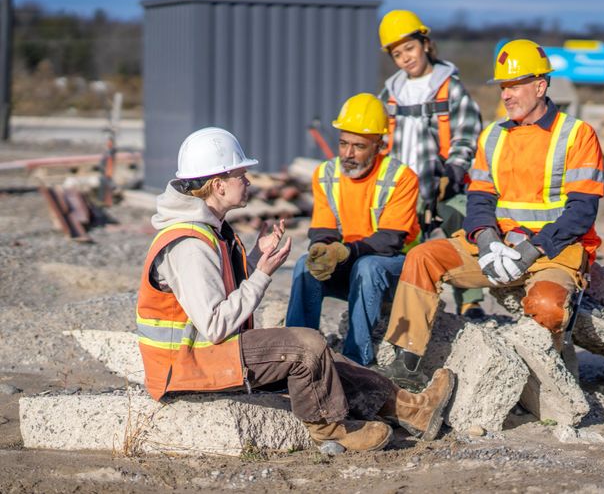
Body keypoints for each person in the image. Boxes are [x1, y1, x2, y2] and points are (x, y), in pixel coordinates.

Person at [136, 126, 454, 452]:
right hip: (189, 368)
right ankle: (328, 429)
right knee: (307, 346)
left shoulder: (209, 231)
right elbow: (216, 325)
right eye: (241, 175)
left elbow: (217, 297)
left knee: (325, 355)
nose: (248, 181)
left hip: (205, 357)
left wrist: (258, 256)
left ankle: (413, 410)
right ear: (218, 185)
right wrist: (262, 274)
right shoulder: (189, 244)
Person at [378, 39, 604, 389]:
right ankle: (407, 364)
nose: (506, 95)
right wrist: (486, 240)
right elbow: (479, 198)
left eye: (514, 86)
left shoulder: (576, 135)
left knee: (548, 305)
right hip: (499, 246)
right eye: (503, 87)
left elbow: (581, 212)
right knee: (423, 258)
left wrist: (530, 250)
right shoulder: (493, 136)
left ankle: (547, 378)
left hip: (552, 252)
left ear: (540, 86)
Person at [285, 93, 420, 366]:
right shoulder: (325, 174)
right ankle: (296, 355)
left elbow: (390, 240)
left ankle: (356, 361)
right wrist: (323, 248)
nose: (348, 154)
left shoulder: (401, 178)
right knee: (304, 265)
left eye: (358, 146)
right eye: (343, 143)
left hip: (396, 274)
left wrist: (344, 251)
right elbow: (323, 227)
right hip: (352, 263)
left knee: (368, 266)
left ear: (379, 145)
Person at [378, 9, 486, 319]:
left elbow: (467, 135)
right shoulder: (390, 93)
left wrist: (453, 171)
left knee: (463, 221)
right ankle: (405, 304)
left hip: (443, 181)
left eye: (410, 48)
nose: (406, 58)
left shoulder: (450, 88)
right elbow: (381, 139)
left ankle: (470, 298)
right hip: (403, 186)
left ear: (425, 44)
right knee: (402, 238)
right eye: (397, 54)